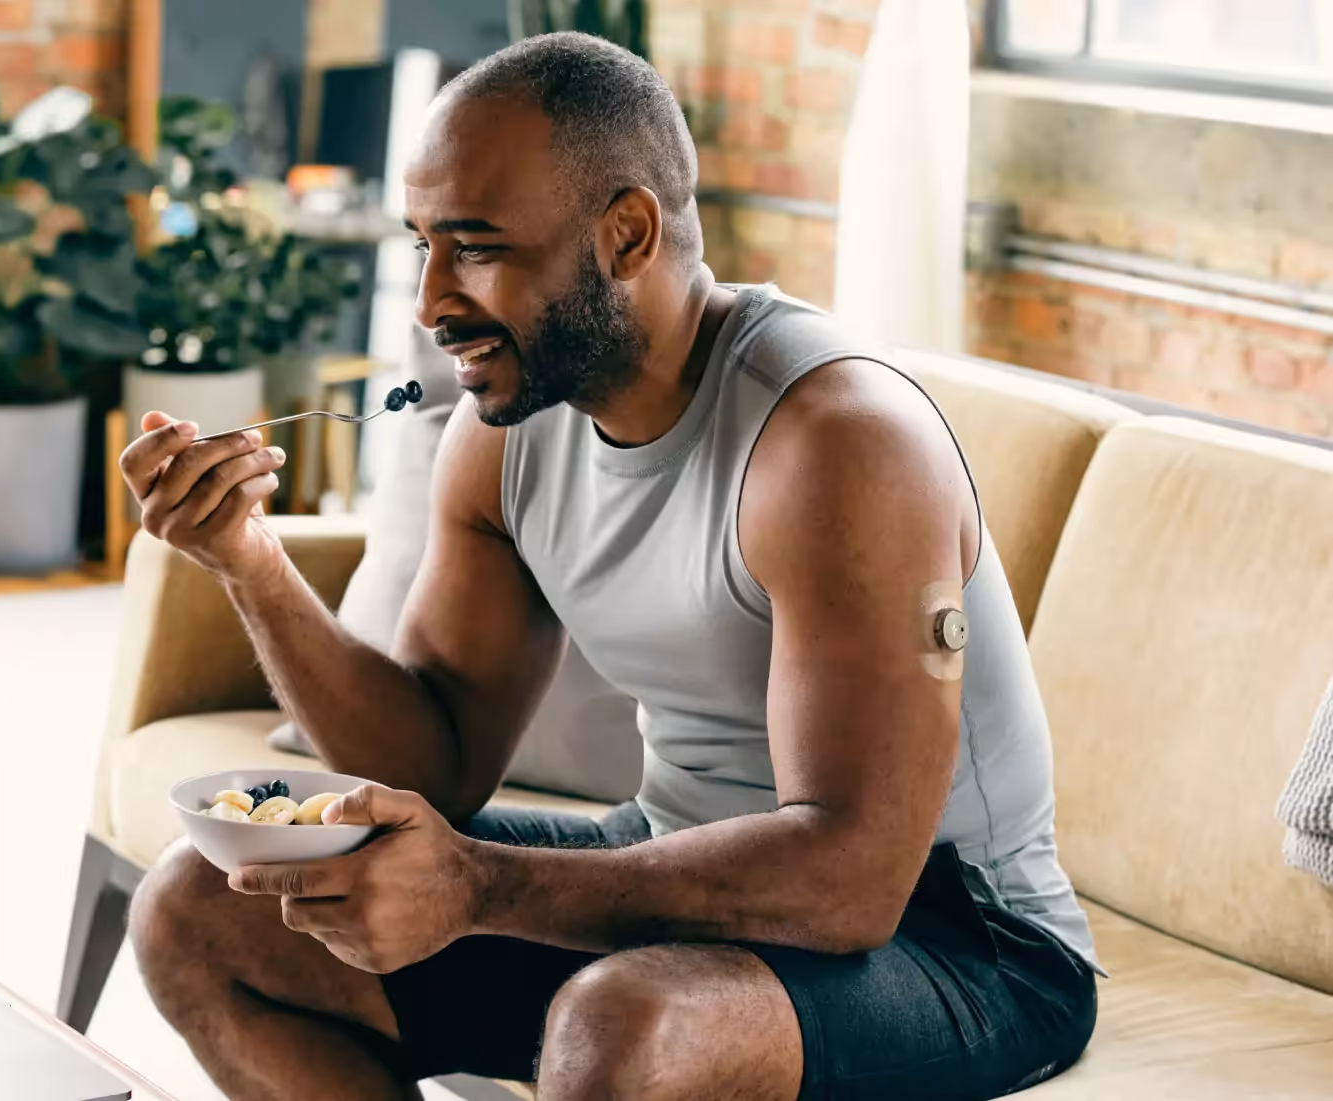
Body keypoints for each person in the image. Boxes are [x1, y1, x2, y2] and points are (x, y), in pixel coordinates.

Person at [121, 32, 1101, 1101]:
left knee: (625, 1022)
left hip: (961, 938)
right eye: (423, 247)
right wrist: (251, 563)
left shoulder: (833, 441)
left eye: (478, 247)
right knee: (199, 910)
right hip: (681, 851)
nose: (430, 301)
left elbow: (853, 883)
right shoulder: (507, 433)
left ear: (626, 234)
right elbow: (431, 764)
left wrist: (479, 886)